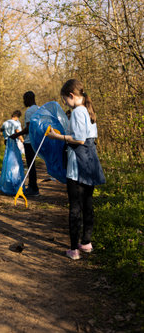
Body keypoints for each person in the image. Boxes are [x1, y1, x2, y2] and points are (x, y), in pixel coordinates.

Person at [47, 79, 105, 260]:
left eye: (65, 99)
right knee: (87, 203)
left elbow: (79, 139)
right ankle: (86, 243)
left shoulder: (79, 111)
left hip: (78, 165)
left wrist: (57, 136)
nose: (65, 102)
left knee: (75, 207)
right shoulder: (88, 110)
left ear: (71, 96)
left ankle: (73, 249)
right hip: (90, 162)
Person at [11, 91, 39, 196]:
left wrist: (16, 135)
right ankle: (32, 186)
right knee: (32, 165)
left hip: (29, 141)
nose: (23, 101)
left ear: (29, 98)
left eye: (24, 99)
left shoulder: (29, 111)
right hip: (36, 141)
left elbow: (28, 128)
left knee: (30, 165)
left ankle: (34, 188)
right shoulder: (39, 109)